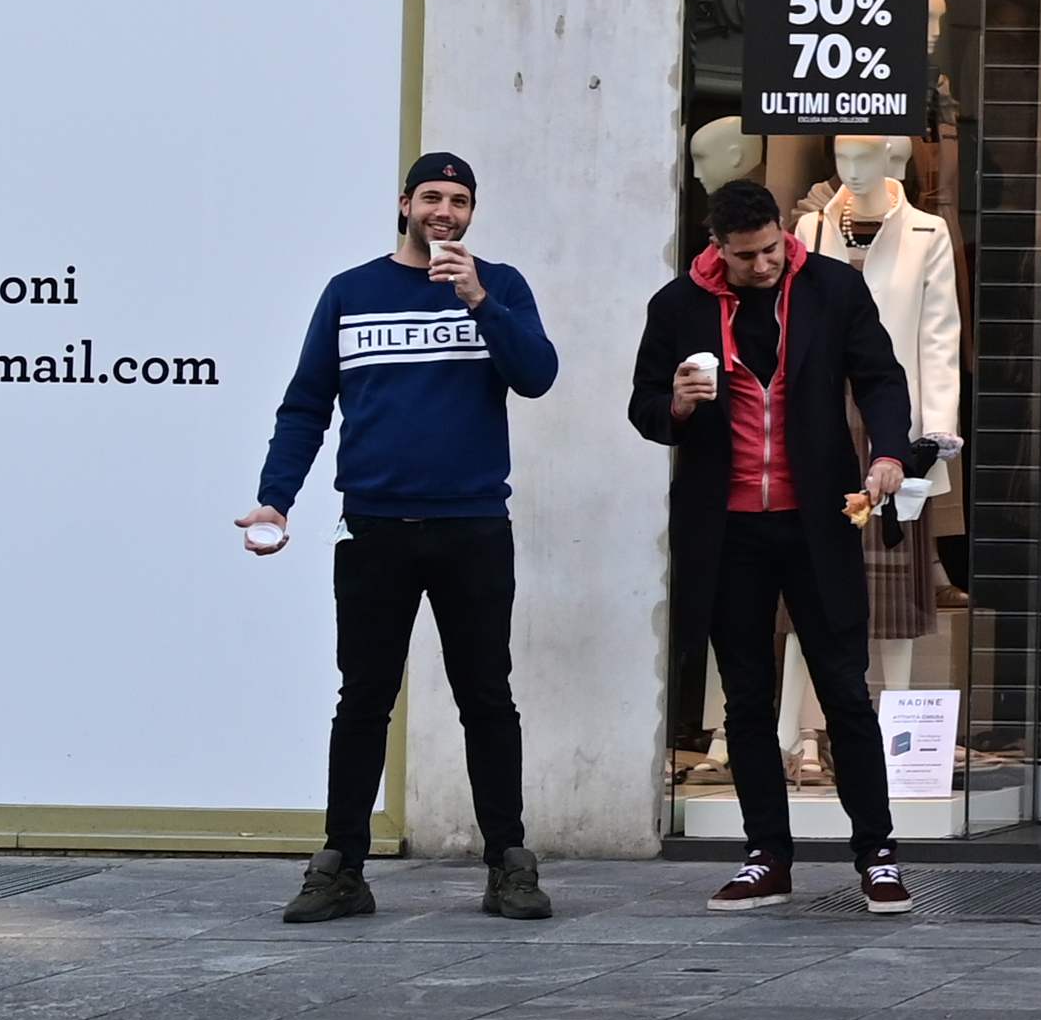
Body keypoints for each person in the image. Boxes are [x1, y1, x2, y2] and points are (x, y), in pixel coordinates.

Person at [246, 153, 563, 926]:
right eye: (431, 197)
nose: (444, 211)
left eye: (458, 200)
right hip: (375, 528)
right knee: (363, 699)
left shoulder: (502, 286)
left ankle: (508, 862)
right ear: (405, 204)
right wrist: (274, 500)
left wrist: (479, 299)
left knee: (487, 697)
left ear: (471, 211)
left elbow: (538, 375)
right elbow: (306, 406)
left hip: (474, 526)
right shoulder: (351, 293)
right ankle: (341, 865)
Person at [630, 178, 928, 917]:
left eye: (771, 251)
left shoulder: (830, 287)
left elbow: (882, 378)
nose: (764, 266)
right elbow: (641, 405)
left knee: (844, 691)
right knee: (747, 699)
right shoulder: (677, 306)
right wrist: (674, 404)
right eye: (746, 257)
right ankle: (767, 855)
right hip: (725, 528)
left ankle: (878, 856)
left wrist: (889, 451)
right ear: (716, 248)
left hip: (817, 520)